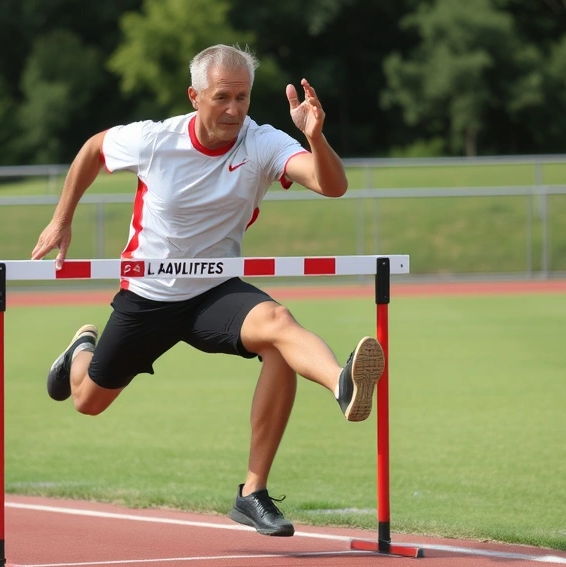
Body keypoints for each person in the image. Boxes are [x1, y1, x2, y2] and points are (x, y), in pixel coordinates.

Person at [31, 44, 385, 537]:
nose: (234, 109)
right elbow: (93, 149)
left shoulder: (261, 142)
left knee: (278, 330)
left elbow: (332, 185)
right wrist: (61, 220)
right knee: (88, 401)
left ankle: (311, 421)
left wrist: (316, 138)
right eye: (222, 97)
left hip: (214, 291)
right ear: (194, 96)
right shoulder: (156, 139)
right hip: (148, 295)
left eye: (242, 97)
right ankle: (80, 352)